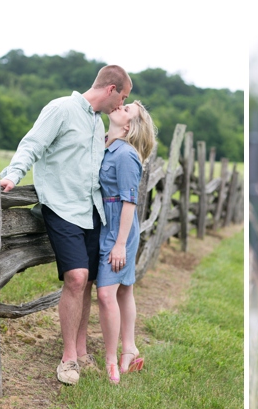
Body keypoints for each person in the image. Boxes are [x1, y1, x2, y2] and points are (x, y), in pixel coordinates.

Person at [0, 65, 132, 385]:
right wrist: (13, 175)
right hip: (61, 208)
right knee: (76, 277)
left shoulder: (97, 121)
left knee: (86, 282)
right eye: (124, 97)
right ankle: (68, 359)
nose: (122, 104)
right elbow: (32, 144)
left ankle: (83, 353)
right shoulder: (61, 108)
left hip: (92, 212)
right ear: (111, 90)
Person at [96, 100, 156, 384]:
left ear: (129, 126)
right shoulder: (105, 143)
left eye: (126, 109)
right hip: (105, 222)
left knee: (107, 294)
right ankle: (129, 348)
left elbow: (130, 201)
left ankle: (111, 361)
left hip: (119, 227)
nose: (119, 106)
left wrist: (119, 244)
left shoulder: (125, 155)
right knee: (123, 291)